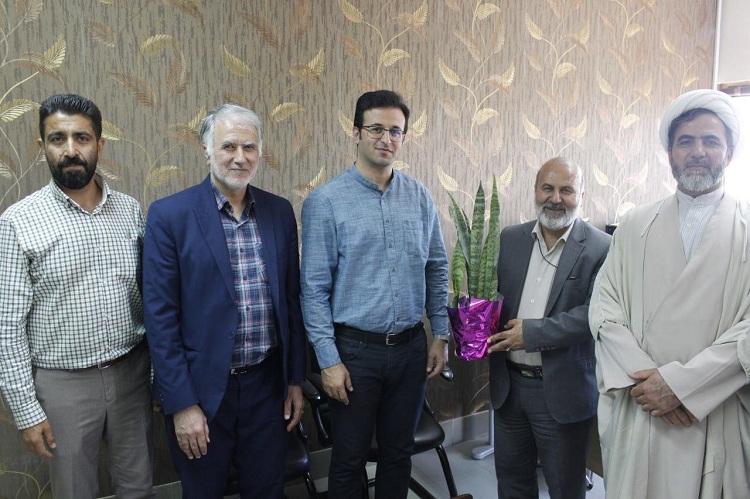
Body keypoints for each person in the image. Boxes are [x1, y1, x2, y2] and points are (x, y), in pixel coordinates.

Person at [589, 89, 750, 497]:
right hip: (642, 404)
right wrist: (648, 381)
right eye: (685, 141)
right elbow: (604, 309)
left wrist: (683, 386)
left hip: (713, 410)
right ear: (670, 153)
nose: (698, 152)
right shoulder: (634, 224)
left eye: (711, 141)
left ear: (730, 152)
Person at [143, 104, 306, 498]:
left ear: (260, 151)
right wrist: (182, 404)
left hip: (266, 386)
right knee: (204, 491)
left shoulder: (279, 212)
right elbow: (160, 319)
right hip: (201, 391)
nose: (240, 157)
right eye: (229, 146)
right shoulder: (169, 216)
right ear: (206, 149)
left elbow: (290, 301)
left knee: (267, 489)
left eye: (249, 147)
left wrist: (295, 379)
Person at [0, 94, 153, 498]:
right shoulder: (17, 222)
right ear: (42, 146)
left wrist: (157, 375)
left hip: (131, 373)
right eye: (58, 139)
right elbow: (6, 327)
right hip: (62, 385)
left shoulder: (129, 211)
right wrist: (26, 410)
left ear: (99, 145)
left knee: (138, 487)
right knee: (73, 491)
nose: (70, 150)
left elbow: (151, 297)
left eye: (82, 138)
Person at [300, 90, 450, 499]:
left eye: (395, 131)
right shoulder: (326, 202)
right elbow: (313, 290)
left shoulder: (419, 196)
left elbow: (437, 267)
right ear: (356, 132)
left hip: (410, 349)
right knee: (349, 459)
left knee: (398, 454)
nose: (386, 139)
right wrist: (328, 361)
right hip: (354, 354)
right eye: (376, 129)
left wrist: (440, 333)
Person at [485, 157, 611, 499]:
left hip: (561, 391)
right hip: (509, 388)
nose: (556, 198)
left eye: (566, 190)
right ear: (536, 191)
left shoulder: (601, 247)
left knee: (565, 488)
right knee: (512, 483)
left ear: (581, 195)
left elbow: (595, 314)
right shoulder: (511, 238)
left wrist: (532, 334)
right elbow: (493, 297)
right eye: (548, 188)